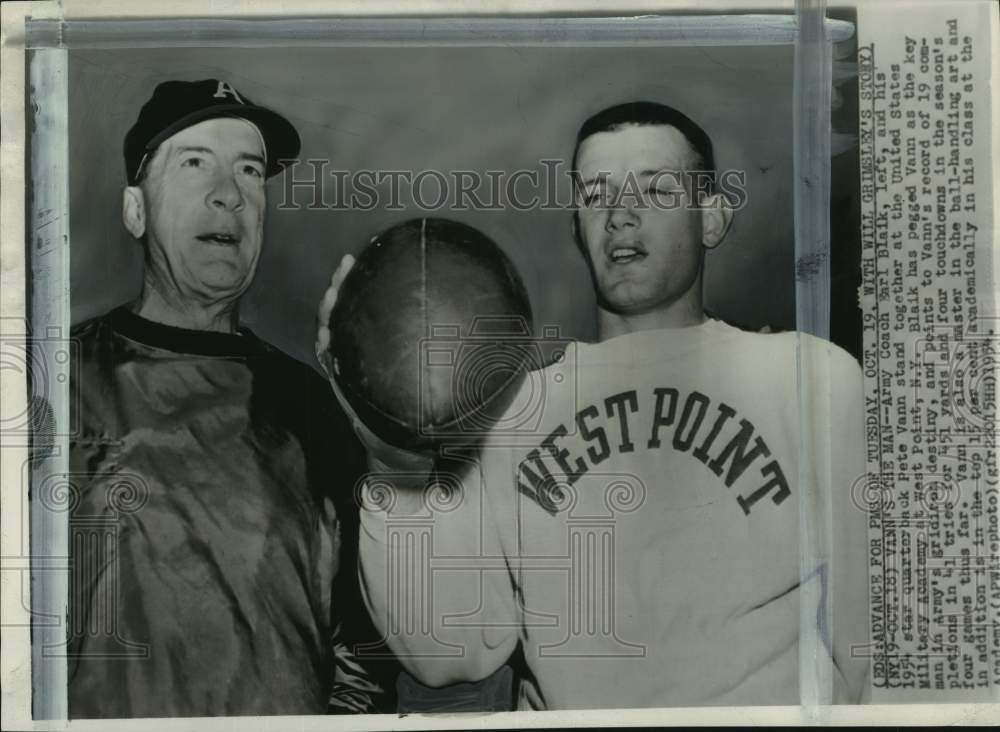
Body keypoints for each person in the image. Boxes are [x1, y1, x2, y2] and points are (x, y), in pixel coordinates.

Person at [316, 101, 869, 708]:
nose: (620, 214)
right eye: (596, 193)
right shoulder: (509, 410)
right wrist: (389, 447)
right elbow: (447, 651)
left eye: (656, 190)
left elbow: (879, 646)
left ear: (711, 218)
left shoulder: (808, 378)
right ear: (577, 226)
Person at [67, 79, 390, 717]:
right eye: (194, 163)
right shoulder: (54, 382)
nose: (230, 194)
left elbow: (364, 657)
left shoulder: (315, 405)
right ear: (135, 210)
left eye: (249, 171)